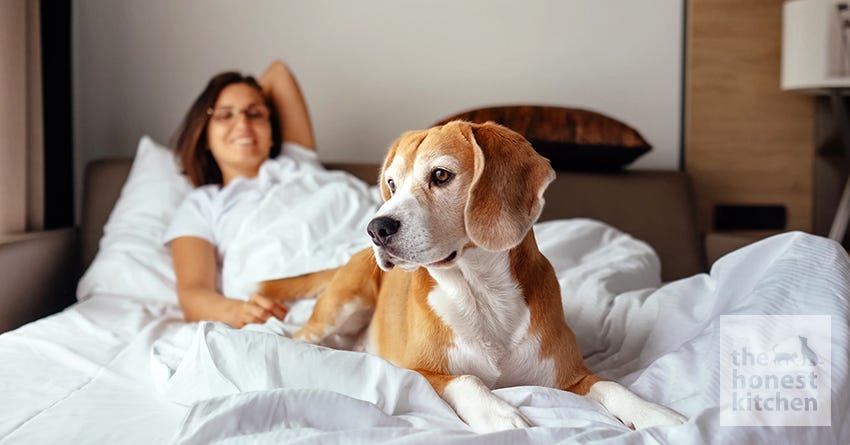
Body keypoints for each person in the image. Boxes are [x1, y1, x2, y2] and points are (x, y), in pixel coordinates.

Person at [165, 60, 316, 328]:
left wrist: (240, 99)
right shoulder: (203, 204)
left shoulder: (298, 164)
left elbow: (278, 72)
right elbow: (192, 293)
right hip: (290, 303)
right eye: (225, 116)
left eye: (254, 114)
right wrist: (238, 311)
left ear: (271, 133)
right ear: (205, 136)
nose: (243, 123)